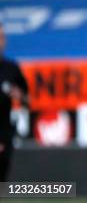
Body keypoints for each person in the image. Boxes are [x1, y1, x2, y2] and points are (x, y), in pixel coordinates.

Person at [0, 22, 28, 181]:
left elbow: (27, 99)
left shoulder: (11, 68)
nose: (1, 41)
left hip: (4, 133)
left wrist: (20, 96)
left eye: (3, 37)